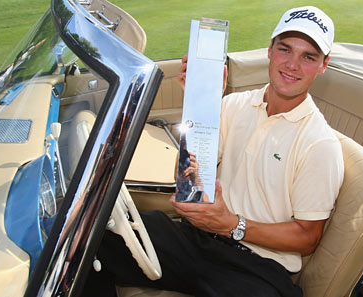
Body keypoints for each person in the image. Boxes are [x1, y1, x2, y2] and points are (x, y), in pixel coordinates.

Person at [83, 6, 344, 297]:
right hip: (198, 238)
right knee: (90, 242)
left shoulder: (320, 144)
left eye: (308, 57)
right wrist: (200, 105)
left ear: (324, 64)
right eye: (285, 50)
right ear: (270, 50)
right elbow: (188, 181)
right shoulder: (236, 105)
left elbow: (307, 238)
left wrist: (233, 225)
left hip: (256, 265)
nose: (293, 64)